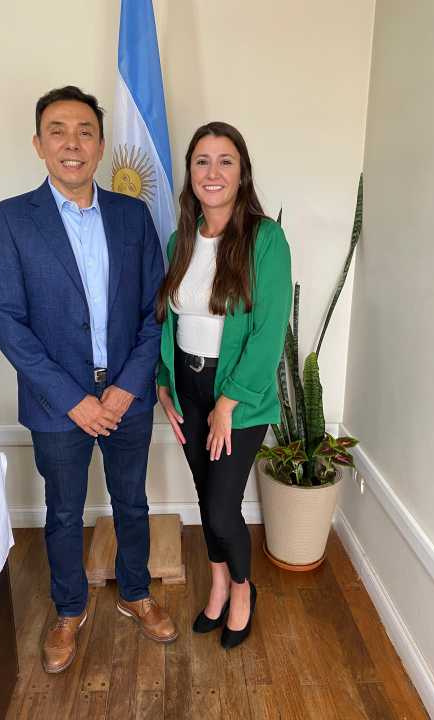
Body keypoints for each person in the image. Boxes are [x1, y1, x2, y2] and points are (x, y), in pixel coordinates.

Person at [0, 86, 177, 674]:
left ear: (99, 144)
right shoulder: (11, 219)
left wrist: (125, 388)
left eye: (85, 131)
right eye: (58, 131)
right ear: (39, 144)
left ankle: (136, 592)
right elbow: (7, 322)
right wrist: (74, 400)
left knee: (132, 501)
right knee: (64, 511)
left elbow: (154, 312)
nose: (72, 143)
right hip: (56, 403)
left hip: (127, 395)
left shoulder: (132, 216)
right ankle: (69, 610)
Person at [156, 122, 292, 649]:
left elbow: (268, 332)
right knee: (204, 491)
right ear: (190, 173)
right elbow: (170, 321)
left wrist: (227, 402)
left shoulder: (265, 239)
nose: (212, 172)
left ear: (242, 173)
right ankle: (217, 583)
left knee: (220, 506)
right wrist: (165, 381)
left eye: (225, 161)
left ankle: (241, 589)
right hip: (187, 388)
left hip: (237, 396)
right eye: (202, 161)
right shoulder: (181, 239)